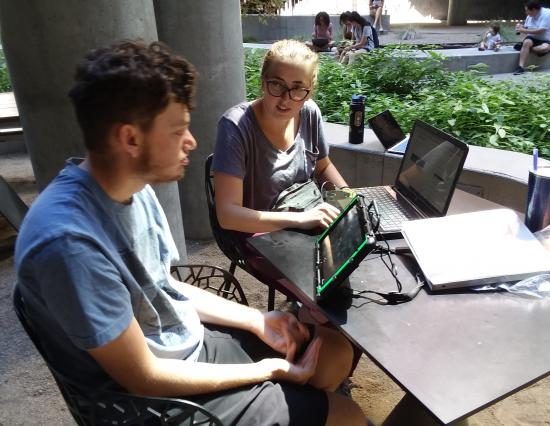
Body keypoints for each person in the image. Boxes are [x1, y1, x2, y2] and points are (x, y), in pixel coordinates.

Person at [14, 40, 367, 426]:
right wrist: (269, 372)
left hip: (186, 341)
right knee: (346, 415)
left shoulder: (131, 188)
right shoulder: (69, 244)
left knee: (333, 355)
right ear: (131, 138)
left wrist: (256, 321)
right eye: (179, 129)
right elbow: (144, 377)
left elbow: (163, 285)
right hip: (155, 401)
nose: (192, 142)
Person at [213, 39, 348, 236]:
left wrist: (348, 200)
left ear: (309, 92)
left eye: (298, 89)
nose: (286, 99)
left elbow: (323, 166)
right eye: (277, 85)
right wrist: (302, 219)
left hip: (303, 218)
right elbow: (228, 215)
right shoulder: (236, 126)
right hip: (257, 233)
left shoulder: (309, 113)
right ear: (263, 82)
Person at [513, 1, 550, 75]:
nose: (526, 13)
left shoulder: (547, 14)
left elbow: (541, 30)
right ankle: (520, 67)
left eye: (527, 10)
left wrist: (523, 30)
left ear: (533, 9)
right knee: (527, 42)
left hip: (546, 40)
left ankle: (525, 48)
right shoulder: (530, 16)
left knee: (543, 49)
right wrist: (521, 27)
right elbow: (527, 27)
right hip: (532, 38)